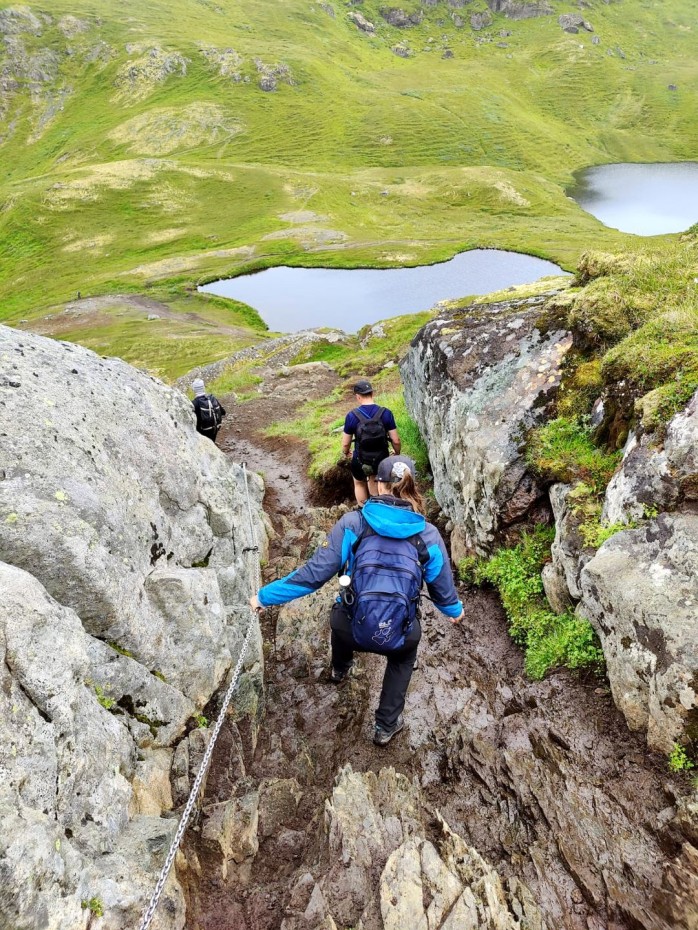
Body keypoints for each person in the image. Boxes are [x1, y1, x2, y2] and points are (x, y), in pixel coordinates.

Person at [250, 455, 463, 746]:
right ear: (413, 488)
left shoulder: (354, 523)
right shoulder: (428, 536)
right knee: (404, 655)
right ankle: (386, 727)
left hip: (351, 627)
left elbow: (312, 576)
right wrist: (455, 611)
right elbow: (442, 591)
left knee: (339, 615)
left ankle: (340, 667)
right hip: (398, 634)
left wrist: (263, 597)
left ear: (378, 484)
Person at [341, 379, 401, 505]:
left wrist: (346, 453)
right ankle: (385, 509)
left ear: (358, 397)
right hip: (382, 458)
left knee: (359, 482)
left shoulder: (352, 416)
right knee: (380, 481)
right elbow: (396, 440)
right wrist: (396, 453)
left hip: (360, 459)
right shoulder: (386, 413)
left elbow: (346, 443)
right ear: (372, 394)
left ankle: (364, 510)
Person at [191, 378, 226, 443]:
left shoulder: (194, 403)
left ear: (193, 389)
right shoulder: (212, 398)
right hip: (215, 428)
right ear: (203, 387)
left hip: (203, 431)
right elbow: (223, 412)